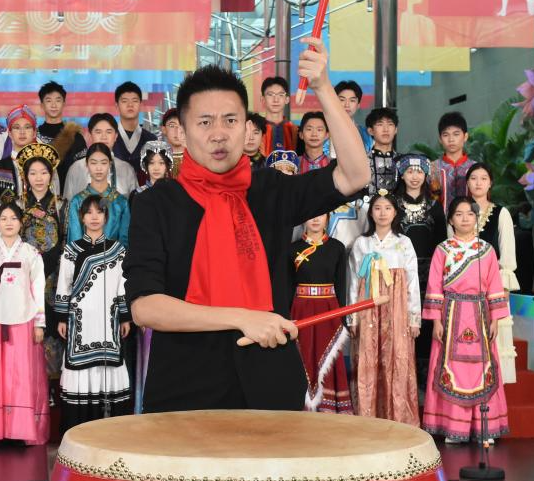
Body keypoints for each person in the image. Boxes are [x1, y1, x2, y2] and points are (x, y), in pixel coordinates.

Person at [123, 40, 371, 413]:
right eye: (204, 122)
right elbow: (145, 307)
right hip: (183, 384)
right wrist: (242, 318)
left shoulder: (270, 189)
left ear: (246, 127)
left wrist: (322, 87)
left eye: (230, 120)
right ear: (182, 131)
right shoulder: (156, 203)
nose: (219, 133)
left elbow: (355, 175)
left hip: (270, 381)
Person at [422, 197, 511, 444]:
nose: (464, 218)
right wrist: (436, 321)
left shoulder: (487, 250)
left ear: (477, 218)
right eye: (459, 214)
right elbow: (434, 286)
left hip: (480, 315)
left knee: (483, 370)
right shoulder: (443, 250)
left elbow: (494, 285)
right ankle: (453, 427)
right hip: (450, 315)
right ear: (451, 220)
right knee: (449, 369)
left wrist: (495, 319)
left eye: (470, 214)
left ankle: (484, 428)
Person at [0, 202, 50, 446]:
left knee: (21, 373)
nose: (8, 223)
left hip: (24, 321)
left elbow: (38, 288)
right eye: (3, 218)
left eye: (13, 218)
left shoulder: (30, 253)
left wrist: (39, 323)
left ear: (21, 222)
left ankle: (21, 430)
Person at [55, 195, 132, 431]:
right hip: (81, 320)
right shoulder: (72, 250)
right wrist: (62, 317)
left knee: (110, 365)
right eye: (89, 213)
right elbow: (64, 284)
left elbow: (122, 285)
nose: (94, 217)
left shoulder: (118, 250)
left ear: (106, 217)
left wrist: (124, 316)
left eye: (99, 212)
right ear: (82, 218)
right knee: (79, 367)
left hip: (107, 319)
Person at [347, 193, 421, 425]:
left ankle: (397, 418)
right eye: (377, 208)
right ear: (371, 213)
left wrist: (414, 317)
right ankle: (367, 419)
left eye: (387, 208)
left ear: (395, 212)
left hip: (396, 308)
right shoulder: (362, 243)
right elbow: (353, 281)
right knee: (368, 356)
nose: (382, 213)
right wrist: (352, 317)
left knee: (396, 357)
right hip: (367, 307)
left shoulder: (403, 243)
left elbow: (412, 282)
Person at [14, 143, 67, 381]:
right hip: (24, 276)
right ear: (25, 176)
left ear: (51, 175)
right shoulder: (17, 205)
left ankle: (54, 384)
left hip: (55, 276)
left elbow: (66, 240)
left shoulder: (62, 205)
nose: (38, 178)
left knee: (53, 328)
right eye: (33, 173)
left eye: (44, 173)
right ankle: (27, 382)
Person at [290, 214, 351, 413]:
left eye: (321, 215)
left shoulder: (337, 248)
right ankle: (303, 405)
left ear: (328, 218)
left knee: (328, 357)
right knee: (304, 354)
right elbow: (287, 286)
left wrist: (342, 317)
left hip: (329, 310)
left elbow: (341, 285)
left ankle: (328, 406)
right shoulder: (292, 249)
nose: (315, 219)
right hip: (300, 310)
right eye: (310, 215)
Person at [465, 162, 519, 384]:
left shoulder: (501, 213)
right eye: (473, 178)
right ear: (467, 183)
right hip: (464, 288)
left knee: (493, 337)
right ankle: (469, 384)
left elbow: (507, 254)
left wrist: (504, 289)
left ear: (490, 184)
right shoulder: (458, 211)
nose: (478, 183)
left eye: (483, 178)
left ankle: (493, 389)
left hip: (492, 285)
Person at [394, 154, 446, 384]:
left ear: (425, 175)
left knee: (427, 320)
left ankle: (426, 374)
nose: (414, 176)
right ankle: (401, 371)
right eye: (409, 171)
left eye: (419, 172)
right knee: (400, 318)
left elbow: (442, 244)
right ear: (401, 174)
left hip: (430, 273)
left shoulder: (435, 207)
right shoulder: (392, 205)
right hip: (400, 273)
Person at [63, 113, 139, 201]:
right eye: (98, 132)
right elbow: (67, 203)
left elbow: (135, 204)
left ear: (116, 136)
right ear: (90, 135)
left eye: (108, 132)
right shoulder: (76, 168)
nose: (103, 137)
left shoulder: (126, 169)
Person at [0, 104, 55, 202]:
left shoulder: (48, 166)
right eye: (17, 127)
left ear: (34, 132)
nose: (22, 132)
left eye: (27, 127)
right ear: (10, 133)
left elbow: (55, 201)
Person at [67, 144, 130, 247]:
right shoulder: (77, 201)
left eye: (104, 163)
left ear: (110, 164)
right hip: (84, 256)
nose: (99, 168)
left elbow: (125, 241)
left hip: (115, 256)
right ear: (87, 165)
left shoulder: (121, 202)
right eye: (93, 163)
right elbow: (75, 240)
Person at [38, 80, 87, 186]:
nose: (54, 105)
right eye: (48, 100)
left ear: (64, 103)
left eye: (58, 100)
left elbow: (84, 171)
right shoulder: (35, 137)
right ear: (42, 105)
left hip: (70, 192)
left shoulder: (75, 136)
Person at [112, 81, 157, 181]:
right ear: (117, 106)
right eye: (124, 101)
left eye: (134, 101)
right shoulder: (109, 137)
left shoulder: (151, 139)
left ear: (140, 104)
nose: (130, 105)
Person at [436, 111, 475, 212]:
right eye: (446, 135)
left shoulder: (475, 168)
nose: (451, 139)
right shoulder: (432, 168)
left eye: (456, 134)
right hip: (439, 221)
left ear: (465, 137)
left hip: (470, 221)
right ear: (440, 139)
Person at [364, 107, 400, 196]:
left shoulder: (402, 161)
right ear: (370, 131)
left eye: (390, 124)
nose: (386, 129)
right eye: (380, 124)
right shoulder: (362, 161)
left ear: (396, 130)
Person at [260, 76, 298, 152]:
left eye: (280, 95)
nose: (276, 100)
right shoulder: (257, 129)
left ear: (287, 99)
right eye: (270, 95)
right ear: (262, 99)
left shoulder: (295, 130)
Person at [334, 80, 372, 152]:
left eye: (352, 100)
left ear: (358, 105)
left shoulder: (365, 133)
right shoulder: (325, 131)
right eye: (342, 100)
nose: (347, 105)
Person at [160, 107, 186, 177]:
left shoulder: (198, 159)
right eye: (172, 126)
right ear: (164, 129)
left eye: (182, 125)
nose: (177, 131)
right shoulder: (156, 160)